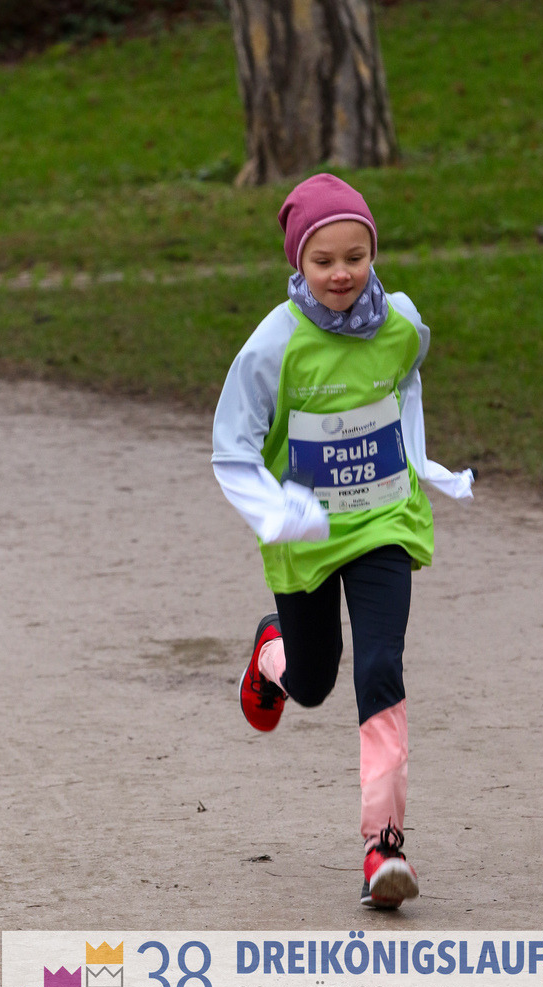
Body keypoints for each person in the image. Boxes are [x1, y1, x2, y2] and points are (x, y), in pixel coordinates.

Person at [212, 173, 474, 910]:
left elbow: (405, 384)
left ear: (371, 254)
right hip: (306, 539)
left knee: (381, 666)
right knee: (315, 681)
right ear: (297, 263)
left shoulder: (399, 322)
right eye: (323, 259)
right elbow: (230, 449)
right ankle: (274, 654)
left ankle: (382, 848)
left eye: (355, 256)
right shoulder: (271, 348)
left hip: (383, 525)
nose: (340, 273)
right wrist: (277, 511)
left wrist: (426, 467)